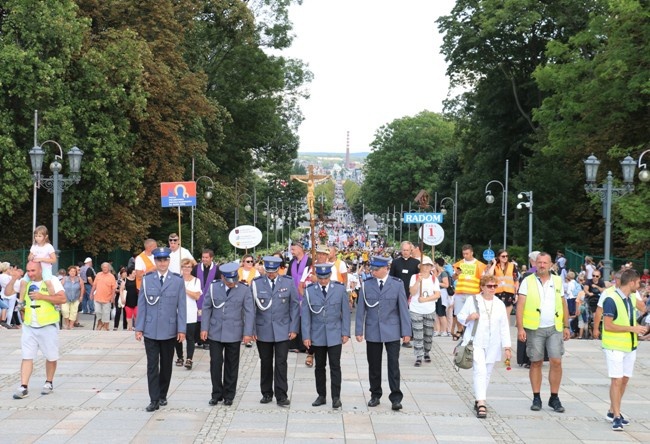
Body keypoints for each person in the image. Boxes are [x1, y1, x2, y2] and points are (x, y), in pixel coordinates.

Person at [516, 252, 571, 413]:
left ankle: (554, 397)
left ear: (551, 264)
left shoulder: (557, 281)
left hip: (554, 327)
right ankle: (536, 396)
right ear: (535, 264)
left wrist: (566, 325)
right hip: (535, 327)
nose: (542, 265)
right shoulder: (528, 281)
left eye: (545, 263)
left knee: (556, 361)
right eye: (539, 262)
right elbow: (520, 305)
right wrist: (520, 328)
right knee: (536, 361)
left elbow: (563, 303)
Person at [355, 255, 412, 411]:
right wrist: (359, 330)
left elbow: (403, 309)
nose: (373, 272)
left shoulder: (397, 284)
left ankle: (395, 397)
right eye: (372, 269)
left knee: (393, 365)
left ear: (386, 269)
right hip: (373, 329)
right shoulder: (367, 285)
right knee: (374, 365)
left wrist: (406, 331)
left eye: (376, 269)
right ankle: (375, 394)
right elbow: (361, 309)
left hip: (392, 330)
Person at [135, 247, 187, 412]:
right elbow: (141, 305)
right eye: (159, 260)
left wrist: (182, 329)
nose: (162, 263)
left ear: (169, 261)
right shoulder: (147, 279)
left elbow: (182, 307)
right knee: (152, 365)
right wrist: (139, 328)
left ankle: (163, 393)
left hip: (169, 329)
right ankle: (154, 399)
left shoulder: (177, 281)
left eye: (165, 260)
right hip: (151, 329)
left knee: (166, 365)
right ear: (155, 261)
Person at [5, 262, 66, 399]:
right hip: (29, 325)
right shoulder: (24, 282)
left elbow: (62, 298)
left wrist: (42, 296)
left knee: (51, 356)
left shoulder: (51, 280)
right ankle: (24, 386)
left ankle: (48, 382)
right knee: (27, 356)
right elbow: (7, 292)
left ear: (40, 269)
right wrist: (14, 279)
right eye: (28, 271)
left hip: (48, 325)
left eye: (33, 270)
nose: (30, 273)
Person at [457, 275, 512, 418]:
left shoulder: (499, 303)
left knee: (487, 373)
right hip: (476, 342)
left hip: (493, 343)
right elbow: (460, 316)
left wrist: (507, 346)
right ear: (482, 287)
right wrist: (470, 317)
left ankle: (479, 398)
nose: (492, 289)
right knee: (480, 370)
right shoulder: (473, 300)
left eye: (495, 286)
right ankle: (482, 402)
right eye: (489, 286)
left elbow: (504, 326)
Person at [201, 262, 254, 406]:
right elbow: (206, 308)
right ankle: (216, 393)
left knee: (232, 364)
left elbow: (249, 311)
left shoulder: (243, 289)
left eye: (234, 280)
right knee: (216, 363)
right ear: (223, 277)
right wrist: (204, 328)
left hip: (234, 331)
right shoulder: (213, 287)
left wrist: (248, 332)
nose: (232, 283)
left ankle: (229, 395)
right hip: (215, 331)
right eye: (229, 280)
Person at [601, 269, 648, 430]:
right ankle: (616, 416)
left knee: (625, 379)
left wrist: (637, 329)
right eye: (638, 282)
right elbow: (607, 325)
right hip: (614, 345)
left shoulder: (631, 298)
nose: (640, 285)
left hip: (630, 345)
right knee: (617, 380)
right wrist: (632, 328)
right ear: (632, 282)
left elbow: (642, 310)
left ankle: (612, 410)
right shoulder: (611, 299)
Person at [251, 256, 300, 407]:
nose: (270, 274)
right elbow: (251, 308)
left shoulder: (288, 282)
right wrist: (252, 329)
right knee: (265, 362)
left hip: (282, 329)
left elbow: (294, 306)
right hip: (263, 329)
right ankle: (266, 393)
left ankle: (281, 395)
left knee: (281, 362)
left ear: (279, 269)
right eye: (268, 271)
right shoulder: (256, 283)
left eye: (273, 271)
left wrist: (293, 328)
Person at [302, 263, 351, 409]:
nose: (323, 281)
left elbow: (345, 313)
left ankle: (336, 397)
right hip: (317, 334)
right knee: (320, 367)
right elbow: (305, 315)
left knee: (335, 366)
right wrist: (306, 336)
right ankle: (321, 395)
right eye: (320, 278)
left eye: (326, 278)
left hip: (334, 333)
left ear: (330, 276)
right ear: (317, 276)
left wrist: (345, 332)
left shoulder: (339, 289)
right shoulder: (310, 291)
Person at [408, 256, 440, 366]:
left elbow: (437, 294)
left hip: (429, 309)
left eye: (428, 265)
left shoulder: (434, 279)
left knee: (428, 333)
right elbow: (412, 292)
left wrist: (425, 299)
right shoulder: (414, 277)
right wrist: (418, 282)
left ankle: (427, 351)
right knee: (418, 333)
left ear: (431, 267)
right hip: (416, 309)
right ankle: (418, 355)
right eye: (424, 265)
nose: (426, 267)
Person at [452, 245, 487, 340]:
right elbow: (453, 278)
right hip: (460, 292)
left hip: (473, 293)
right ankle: (460, 329)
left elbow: (483, 279)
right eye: (463, 254)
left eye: (467, 253)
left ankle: (471, 331)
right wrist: (456, 274)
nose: (465, 255)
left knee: (472, 313)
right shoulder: (459, 264)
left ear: (472, 253)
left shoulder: (479, 265)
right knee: (458, 313)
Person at [389, 241, 419, 349]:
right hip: (397, 293)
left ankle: (408, 337)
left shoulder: (416, 263)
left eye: (407, 250)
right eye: (404, 250)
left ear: (411, 250)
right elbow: (391, 277)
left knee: (409, 316)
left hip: (411, 293)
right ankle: (398, 336)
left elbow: (419, 277)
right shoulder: (396, 262)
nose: (405, 252)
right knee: (398, 315)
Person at [175, 258, 201, 369]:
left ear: (191, 268)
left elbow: (196, 296)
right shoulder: (176, 280)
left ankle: (189, 358)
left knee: (190, 337)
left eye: (189, 267)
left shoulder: (196, 281)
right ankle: (180, 356)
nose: (186, 269)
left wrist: (185, 289)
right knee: (177, 336)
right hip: (177, 312)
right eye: (184, 267)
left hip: (190, 312)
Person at [193, 248, 220, 350]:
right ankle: (198, 340)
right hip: (198, 297)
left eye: (206, 257)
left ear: (211, 258)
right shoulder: (196, 268)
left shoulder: (217, 269)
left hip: (211, 297)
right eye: (203, 257)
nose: (204, 259)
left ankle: (206, 341)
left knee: (208, 317)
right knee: (198, 318)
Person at [487, 249, 518, 322]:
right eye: (503, 256)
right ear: (498, 257)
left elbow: (516, 280)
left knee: (506, 317)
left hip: (509, 293)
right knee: (497, 316)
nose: (505, 258)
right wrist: (494, 263)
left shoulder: (512, 266)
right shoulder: (495, 267)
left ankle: (506, 333)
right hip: (497, 293)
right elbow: (489, 275)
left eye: (507, 256)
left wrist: (516, 294)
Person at [26, 225, 57, 296]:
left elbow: (54, 260)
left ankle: (54, 301)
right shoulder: (34, 246)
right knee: (23, 282)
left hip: (45, 269)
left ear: (45, 236)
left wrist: (41, 259)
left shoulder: (49, 247)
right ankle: (21, 301)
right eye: (36, 236)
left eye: (40, 236)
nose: (37, 238)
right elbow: (29, 257)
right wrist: (31, 257)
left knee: (48, 282)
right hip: (34, 269)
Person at [90, 262, 117, 331]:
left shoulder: (111, 276)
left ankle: (106, 327)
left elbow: (114, 288)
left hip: (107, 298)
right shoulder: (98, 275)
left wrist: (112, 297)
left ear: (109, 268)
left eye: (106, 267)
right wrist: (91, 293)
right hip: (97, 297)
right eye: (103, 267)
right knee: (97, 311)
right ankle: (100, 323)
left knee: (106, 313)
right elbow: (94, 285)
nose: (105, 268)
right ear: (101, 268)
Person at [61, 265, 84, 330]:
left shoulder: (79, 279)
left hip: (76, 297)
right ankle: (67, 323)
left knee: (74, 312)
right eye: (71, 271)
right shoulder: (65, 278)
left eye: (74, 271)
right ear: (69, 272)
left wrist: (81, 296)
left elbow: (82, 288)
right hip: (66, 297)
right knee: (65, 311)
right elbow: (60, 287)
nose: (73, 272)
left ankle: (71, 325)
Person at [434, 258, 451, 336]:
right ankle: (438, 330)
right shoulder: (437, 273)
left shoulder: (443, 273)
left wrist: (438, 283)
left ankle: (444, 330)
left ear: (437, 264)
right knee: (437, 313)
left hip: (442, 294)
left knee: (441, 313)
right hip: (436, 294)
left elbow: (446, 284)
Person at [120, 266, 138, 331]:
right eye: (134, 273)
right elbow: (121, 290)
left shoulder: (137, 280)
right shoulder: (125, 280)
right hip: (127, 300)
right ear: (130, 274)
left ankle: (137, 327)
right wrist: (122, 298)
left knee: (137, 314)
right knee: (129, 315)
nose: (135, 274)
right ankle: (129, 327)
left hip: (136, 300)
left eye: (135, 272)